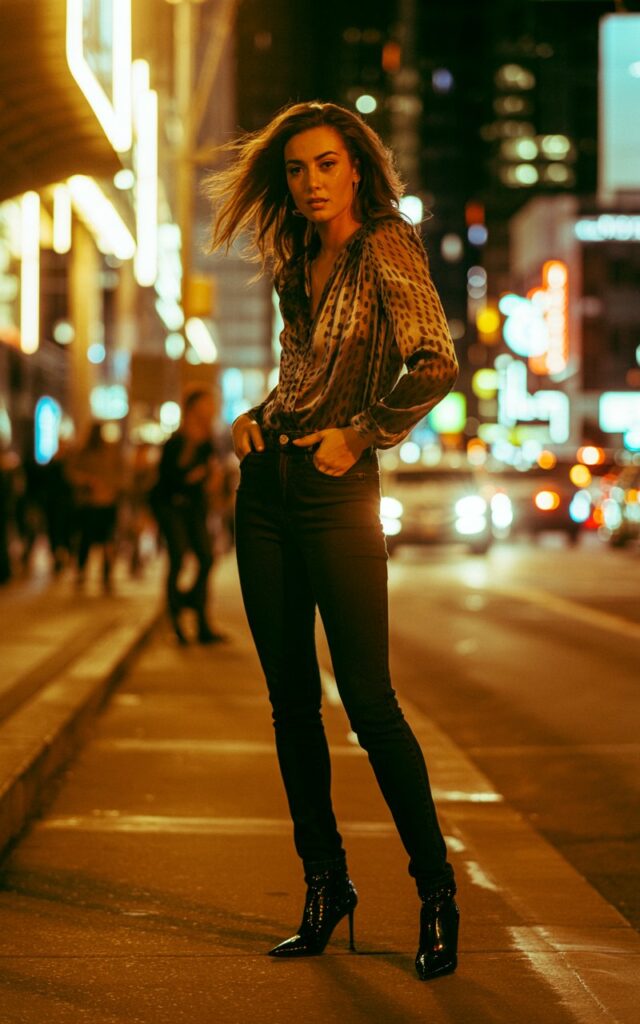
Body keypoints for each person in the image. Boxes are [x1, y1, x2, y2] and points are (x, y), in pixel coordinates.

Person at [206, 101, 460, 980]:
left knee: (369, 701)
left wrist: (363, 434)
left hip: (339, 492)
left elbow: (434, 360)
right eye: (297, 170)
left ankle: (435, 892)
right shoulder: (296, 262)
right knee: (289, 705)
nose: (311, 183)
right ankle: (325, 886)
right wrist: (255, 417)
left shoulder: (386, 243)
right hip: (268, 491)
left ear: (357, 167)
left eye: (326, 165)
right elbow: (302, 375)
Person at [151, 389, 223, 645]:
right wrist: (192, 476)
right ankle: (177, 619)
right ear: (193, 408)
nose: (211, 408)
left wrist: (210, 480)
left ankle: (198, 615)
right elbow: (166, 477)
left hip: (195, 507)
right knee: (178, 557)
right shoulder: (176, 440)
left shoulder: (207, 441)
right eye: (206, 403)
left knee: (206, 558)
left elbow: (211, 474)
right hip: (171, 506)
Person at [67, 422, 124, 593]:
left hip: (107, 503)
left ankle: (106, 575)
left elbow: (121, 476)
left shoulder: (112, 453)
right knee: (88, 539)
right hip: (91, 504)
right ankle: (83, 571)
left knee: (107, 541)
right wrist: (87, 481)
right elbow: (72, 473)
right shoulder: (84, 453)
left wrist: (110, 488)